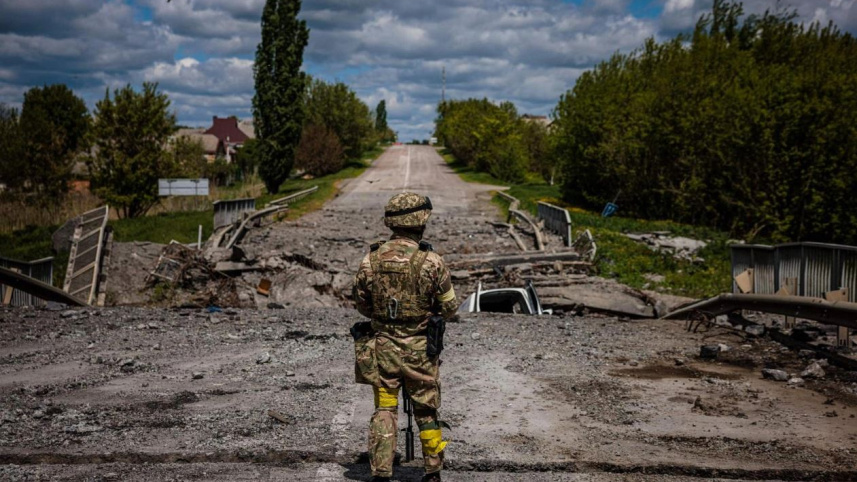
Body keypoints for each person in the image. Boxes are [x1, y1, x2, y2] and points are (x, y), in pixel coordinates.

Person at [352, 192, 458, 482]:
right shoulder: (432, 261)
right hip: (421, 351)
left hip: (383, 348)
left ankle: (382, 472)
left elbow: (361, 305)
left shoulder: (370, 259)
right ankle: (432, 470)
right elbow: (450, 307)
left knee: (385, 407)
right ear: (421, 221)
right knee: (426, 409)